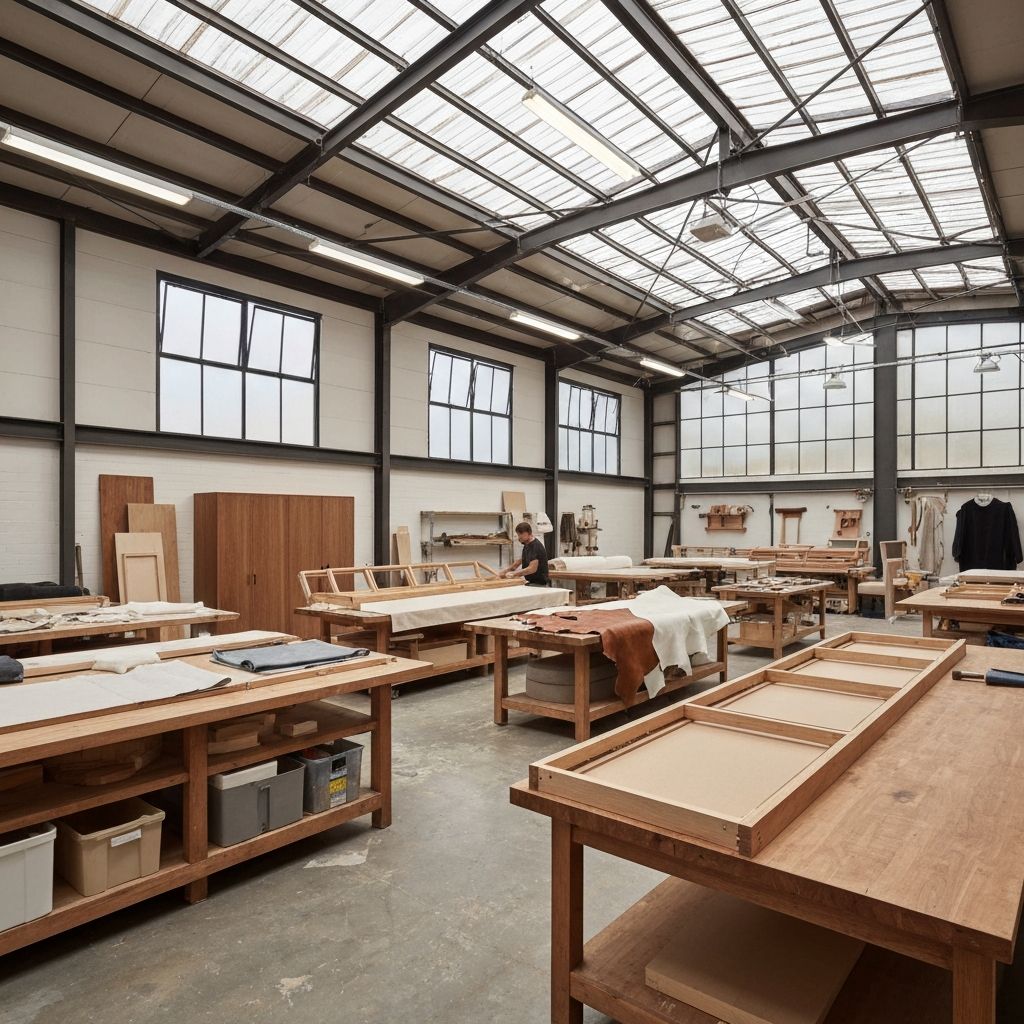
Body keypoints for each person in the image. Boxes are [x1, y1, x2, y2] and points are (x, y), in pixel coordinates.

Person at [502, 522, 550, 587]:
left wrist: (514, 574)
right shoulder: (526, 545)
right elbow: (518, 562)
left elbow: (532, 569)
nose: (519, 537)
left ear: (527, 533)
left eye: (520, 534)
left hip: (539, 584)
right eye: (518, 534)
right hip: (531, 582)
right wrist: (504, 572)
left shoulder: (536, 546)